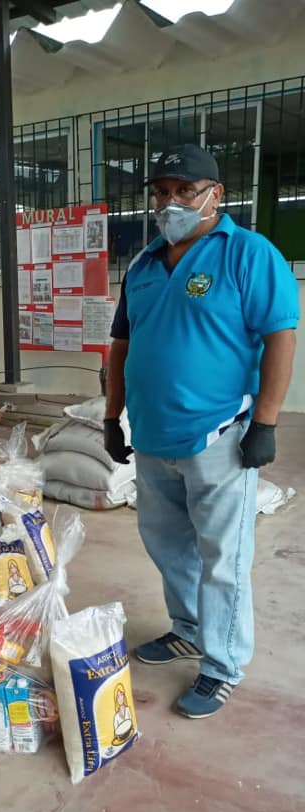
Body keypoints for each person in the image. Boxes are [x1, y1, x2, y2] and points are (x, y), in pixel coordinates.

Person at [105, 143, 299, 719]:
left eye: (184, 191)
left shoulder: (248, 253)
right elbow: (122, 345)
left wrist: (265, 422)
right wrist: (112, 416)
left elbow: (281, 337)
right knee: (168, 546)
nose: (170, 202)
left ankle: (222, 665)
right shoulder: (143, 265)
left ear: (216, 194)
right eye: (161, 192)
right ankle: (188, 629)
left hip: (220, 436)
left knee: (222, 557)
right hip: (153, 437)